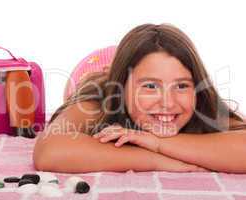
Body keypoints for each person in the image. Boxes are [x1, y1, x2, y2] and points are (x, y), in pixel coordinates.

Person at [33, 23, 246, 173]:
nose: (168, 103)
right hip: (92, 73)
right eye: (150, 86)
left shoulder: (202, 107)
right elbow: (49, 151)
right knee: (95, 80)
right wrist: (158, 160)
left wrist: (155, 142)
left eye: (182, 85)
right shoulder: (96, 101)